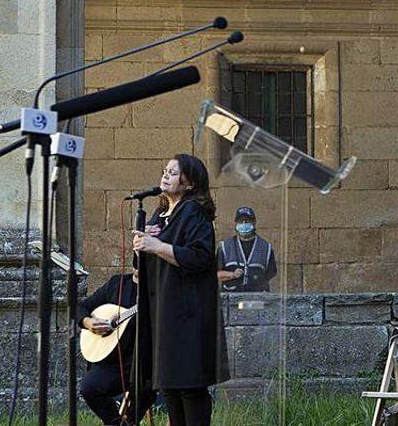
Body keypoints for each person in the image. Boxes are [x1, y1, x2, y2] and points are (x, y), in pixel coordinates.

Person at [131, 154, 223, 426]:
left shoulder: (193, 211)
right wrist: (143, 245)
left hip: (187, 315)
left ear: (190, 183)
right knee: (169, 386)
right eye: (165, 170)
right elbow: (147, 263)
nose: (166, 175)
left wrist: (156, 246)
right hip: (164, 313)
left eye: (174, 172)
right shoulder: (162, 214)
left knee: (188, 386)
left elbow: (200, 256)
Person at [78, 270, 154, 425]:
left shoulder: (159, 289)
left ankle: (129, 422)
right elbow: (80, 307)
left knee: (147, 388)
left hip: (145, 363)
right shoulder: (117, 284)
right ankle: (117, 423)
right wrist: (87, 322)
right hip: (113, 363)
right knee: (89, 387)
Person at [216, 206, 277, 292]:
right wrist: (232, 275)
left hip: (257, 299)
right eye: (241, 221)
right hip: (231, 297)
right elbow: (216, 273)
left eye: (247, 221)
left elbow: (271, 273)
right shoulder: (225, 247)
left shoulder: (266, 247)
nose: (244, 224)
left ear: (254, 223)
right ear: (236, 224)